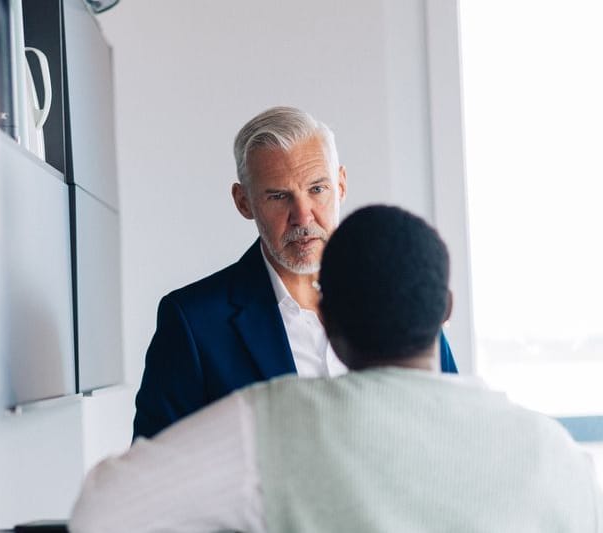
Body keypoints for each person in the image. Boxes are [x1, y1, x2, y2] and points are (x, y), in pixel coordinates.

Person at [71, 205, 603, 533]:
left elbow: (101, 515)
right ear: (445, 309)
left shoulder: (271, 426)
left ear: (325, 316)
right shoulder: (554, 454)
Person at [133, 106, 457, 439]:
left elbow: (453, 431)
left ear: (341, 185)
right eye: (278, 196)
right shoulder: (193, 324)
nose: (302, 216)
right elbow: (149, 476)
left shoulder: (403, 296)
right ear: (243, 202)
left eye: (317, 189)